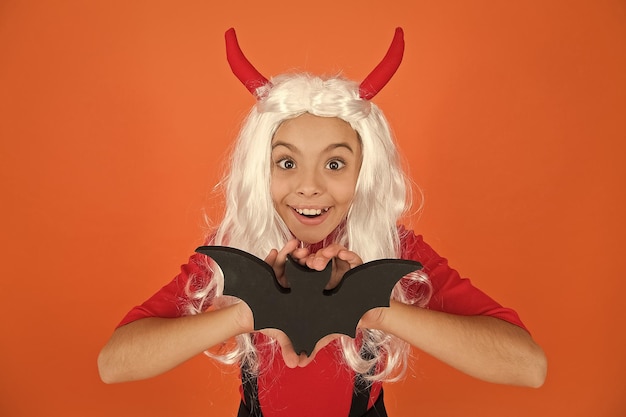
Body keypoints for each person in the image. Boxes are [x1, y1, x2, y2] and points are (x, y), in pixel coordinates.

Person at [98, 28, 547, 417]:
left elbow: (528, 366)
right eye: (287, 163)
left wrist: (371, 308)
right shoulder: (234, 249)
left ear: (362, 173)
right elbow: (114, 364)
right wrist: (247, 312)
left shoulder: (395, 249)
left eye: (334, 165)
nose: (309, 187)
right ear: (263, 170)